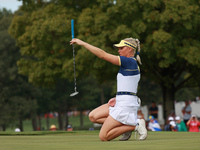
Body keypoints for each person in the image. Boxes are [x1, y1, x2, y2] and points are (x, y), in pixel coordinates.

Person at [70, 38, 147, 141]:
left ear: (129, 49)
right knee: (93, 116)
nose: (118, 50)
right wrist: (117, 97)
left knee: (103, 137)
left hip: (126, 105)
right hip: (122, 100)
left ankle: (135, 125)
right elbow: (128, 86)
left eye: (121, 48)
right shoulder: (129, 63)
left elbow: (102, 55)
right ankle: (126, 126)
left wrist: (83, 43)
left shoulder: (129, 61)